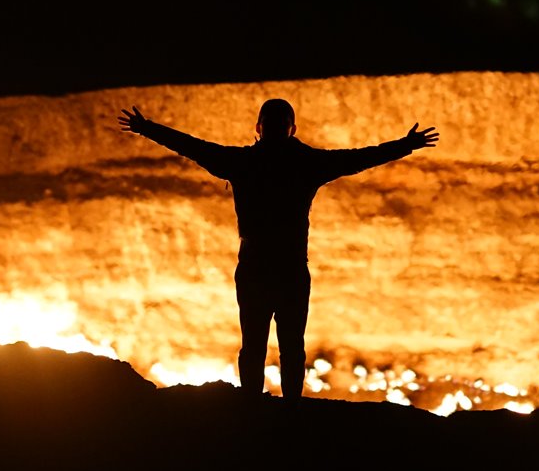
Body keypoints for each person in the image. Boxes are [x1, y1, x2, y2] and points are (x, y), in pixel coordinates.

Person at [118, 99, 438, 405]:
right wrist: (405, 145)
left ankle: (253, 406)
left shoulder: (243, 163)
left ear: (258, 128)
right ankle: (290, 409)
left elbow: (193, 146)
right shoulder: (307, 164)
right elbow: (358, 158)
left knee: (255, 345)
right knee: (289, 346)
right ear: (291, 129)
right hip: (289, 269)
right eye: (278, 124)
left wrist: (147, 128)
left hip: (257, 267)